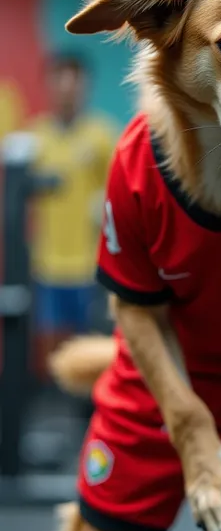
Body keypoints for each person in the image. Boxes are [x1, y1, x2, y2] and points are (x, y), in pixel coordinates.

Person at [29, 51, 117, 377]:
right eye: (59, 78)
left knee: (90, 346)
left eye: (74, 78)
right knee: (49, 346)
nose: (67, 87)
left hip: (89, 266)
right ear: (50, 84)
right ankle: (53, 408)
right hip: (46, 264)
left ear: (85, 86)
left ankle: (89, 416)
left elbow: (120, 195)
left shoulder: (103, 136)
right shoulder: (34, 138)